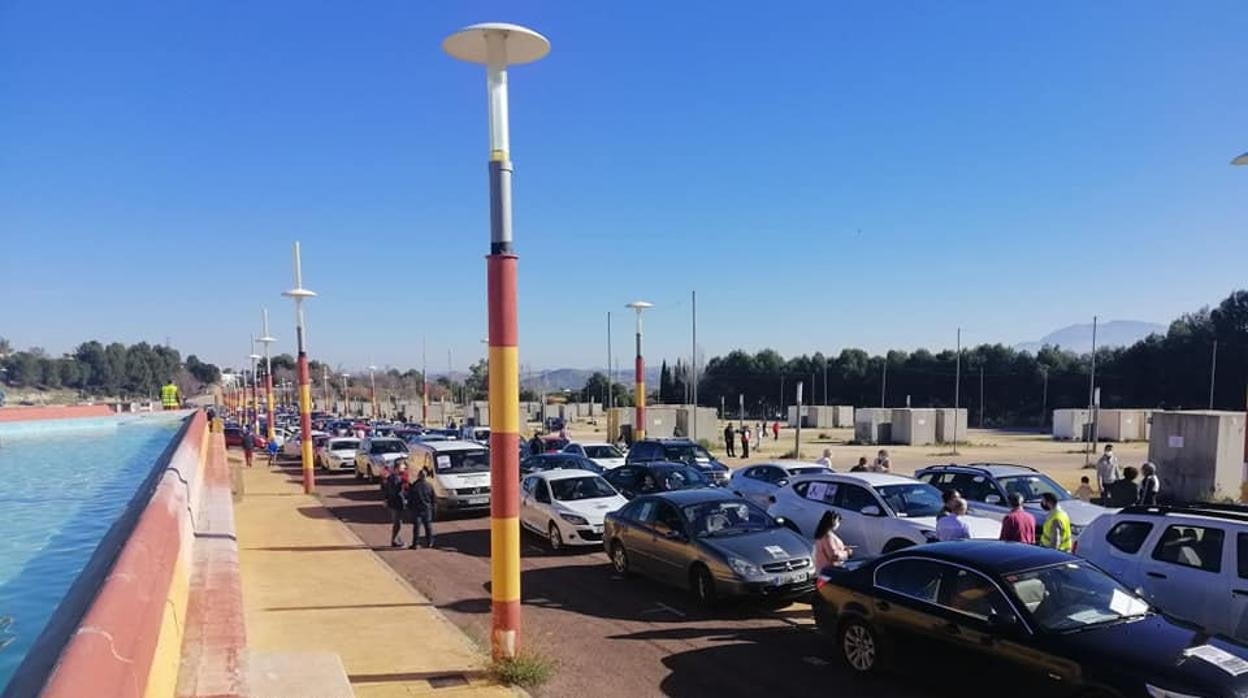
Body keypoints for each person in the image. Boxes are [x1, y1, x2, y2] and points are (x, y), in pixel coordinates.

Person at [407, 468, 436, 549]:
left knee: (416, 527)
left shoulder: (414, 486)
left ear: (419, 476)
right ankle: (430, 542)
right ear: (426, 476)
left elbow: (410, 498)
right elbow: (433, 499)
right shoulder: (429, 486)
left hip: (417, 509)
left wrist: (409, 508)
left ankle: (415, 544)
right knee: (428, 526)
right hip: (427, 509)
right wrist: (433, 509)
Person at [383, 461, 408, 547]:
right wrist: (404, 500)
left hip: (392, 503)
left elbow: (386, 490)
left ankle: (397, 539)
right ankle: (395, 541)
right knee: (398, 523)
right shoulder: (396, 479)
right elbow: (396, 492)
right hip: (396, 504)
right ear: (397, 468)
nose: (404, 469)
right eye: (402, 467)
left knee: (397, 522)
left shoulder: (391, 477)